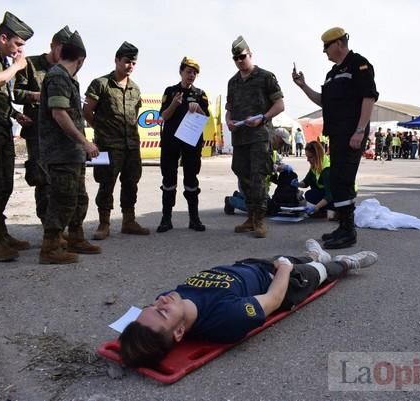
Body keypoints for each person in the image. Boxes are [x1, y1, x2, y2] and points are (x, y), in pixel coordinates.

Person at [118, 239, 378, 368]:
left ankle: (312, 256)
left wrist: (154, 315)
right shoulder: (225, 318)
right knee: (315, 272)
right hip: (284, 283)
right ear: (178, 332)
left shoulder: (171, 299)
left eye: (151, 306)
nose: (160, 301)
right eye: (162, 312)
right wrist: (285, 270)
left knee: (291, 258)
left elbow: (152, 317)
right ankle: (344, 263)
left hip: (251, 265)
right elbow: (274, 300)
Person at [293, 27, 378, 249]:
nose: (325, 52)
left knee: (344, 179)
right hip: (337, 135)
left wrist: (360, 131)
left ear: (339, 44)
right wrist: (303, 86)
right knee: (338, 180)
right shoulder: (332, 73)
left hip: (351, 134)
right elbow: (324, 101)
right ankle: (343, 227)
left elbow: (369, 97)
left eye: (327, 46)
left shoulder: (359, 65)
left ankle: (349, 232)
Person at [38, 31, 101, 264]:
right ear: (81, 60)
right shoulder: (58, 77)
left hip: (72, 153)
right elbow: (59, 113)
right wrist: (84, 142)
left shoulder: (67, 77)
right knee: (62, 198)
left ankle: (75, 237)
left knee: (77, 197)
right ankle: (50, 247)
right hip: (61, 152)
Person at [0, 12, 33, 262]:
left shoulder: (2, 61)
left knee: (6, 184)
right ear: (3, 37)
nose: (20, 50)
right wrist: (17, 67)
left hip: (1, 128)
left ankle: (2, 233)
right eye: (18, 44)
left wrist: (15, 114)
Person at [83, 41, 149, 240]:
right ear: (117, 60)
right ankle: (104, 224)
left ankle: (129, 221)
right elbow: (87, 111)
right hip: (107, 146)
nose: (130, 66)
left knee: (131, 183)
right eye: (127, 61)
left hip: (131, 146)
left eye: (134, 63)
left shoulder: (135, 89)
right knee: (106, 184)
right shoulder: (100, 84)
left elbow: (134, 115)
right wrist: (102, 130)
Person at [226, 36, 285, 238]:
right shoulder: (232, 82)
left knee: (258, 176)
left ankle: (260, 219)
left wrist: (263, 118)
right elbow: (229, 109)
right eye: (236, 58)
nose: (240, 61)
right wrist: (229, 121)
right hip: (240, 137)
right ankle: (251, 216)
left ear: (250, 54)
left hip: (259, 135)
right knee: (242, 175)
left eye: (242, 57)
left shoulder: (265, 77)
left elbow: (280, 105)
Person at [13, 26, 72, 224]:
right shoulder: (31, 64)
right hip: (37, 132)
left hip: (60, 132)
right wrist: (39, 96)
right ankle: (48, 225)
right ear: (53, 46)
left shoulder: (68, 69)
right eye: (62, 49)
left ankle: (57, 225)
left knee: (60, 179)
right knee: (43, 179)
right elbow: (17, 94)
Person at [156, 57, 210, 233]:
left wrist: (198, 109)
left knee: (191, 179)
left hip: (191, 143)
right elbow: (163, 116)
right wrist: (173, 104)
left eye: (194, 73)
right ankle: (166, 219)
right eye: (188, 72)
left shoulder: (200, 94)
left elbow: (206, 118)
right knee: (169, 179)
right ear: (181, 72)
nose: (191, 75)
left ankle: (194, 219)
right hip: (171, 142)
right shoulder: (170, 91)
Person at [291, 141, 332, 218]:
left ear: (317, 156)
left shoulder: (327, 169)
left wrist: (316, 207)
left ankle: (328, 211)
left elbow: (329, 195)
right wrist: (298, 184)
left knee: (312, 196)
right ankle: (325, 211)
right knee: (310, 194)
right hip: (326, 194)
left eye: (310, 157)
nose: (308, 160)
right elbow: (306, 182)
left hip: (336, 197)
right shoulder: (315, 166)